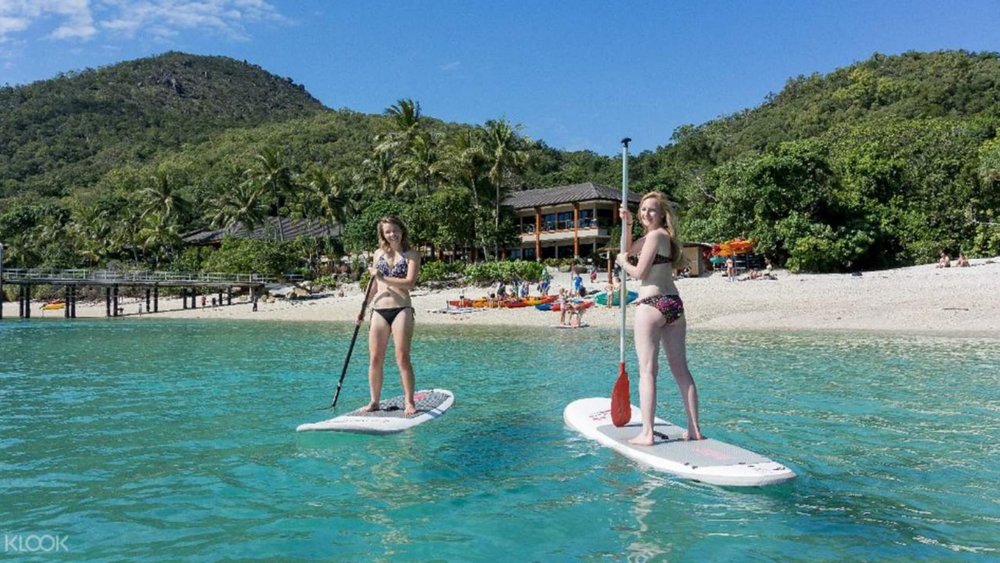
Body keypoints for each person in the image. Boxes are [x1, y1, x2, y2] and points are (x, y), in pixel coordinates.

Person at [616, 192, 703, 444]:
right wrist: (629, 224)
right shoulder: (662, 237)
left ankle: (647, 433)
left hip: (651, 303)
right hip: (673, 305)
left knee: (647, 371)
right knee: (681, 370)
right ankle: (694, 429)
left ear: (662, 215)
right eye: (643, 210)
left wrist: (623, 263)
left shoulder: (655, 236)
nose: (646, 214)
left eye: (651, 210)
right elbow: (629, 248)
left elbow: (639, 272)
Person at [361, 216, 421, 415]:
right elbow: (374, 286)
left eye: (395, 230)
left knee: (402, 357)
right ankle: (374, 401)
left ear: (401, 230)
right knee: (375, 358)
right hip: (379, 309)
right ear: (382, 234)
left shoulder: (412, 254)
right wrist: (363, 308)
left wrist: (383, 277)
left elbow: (410, 283)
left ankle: (409, 401)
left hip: (401, 308)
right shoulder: (378, 254)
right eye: (387, 231)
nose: (392, 234)